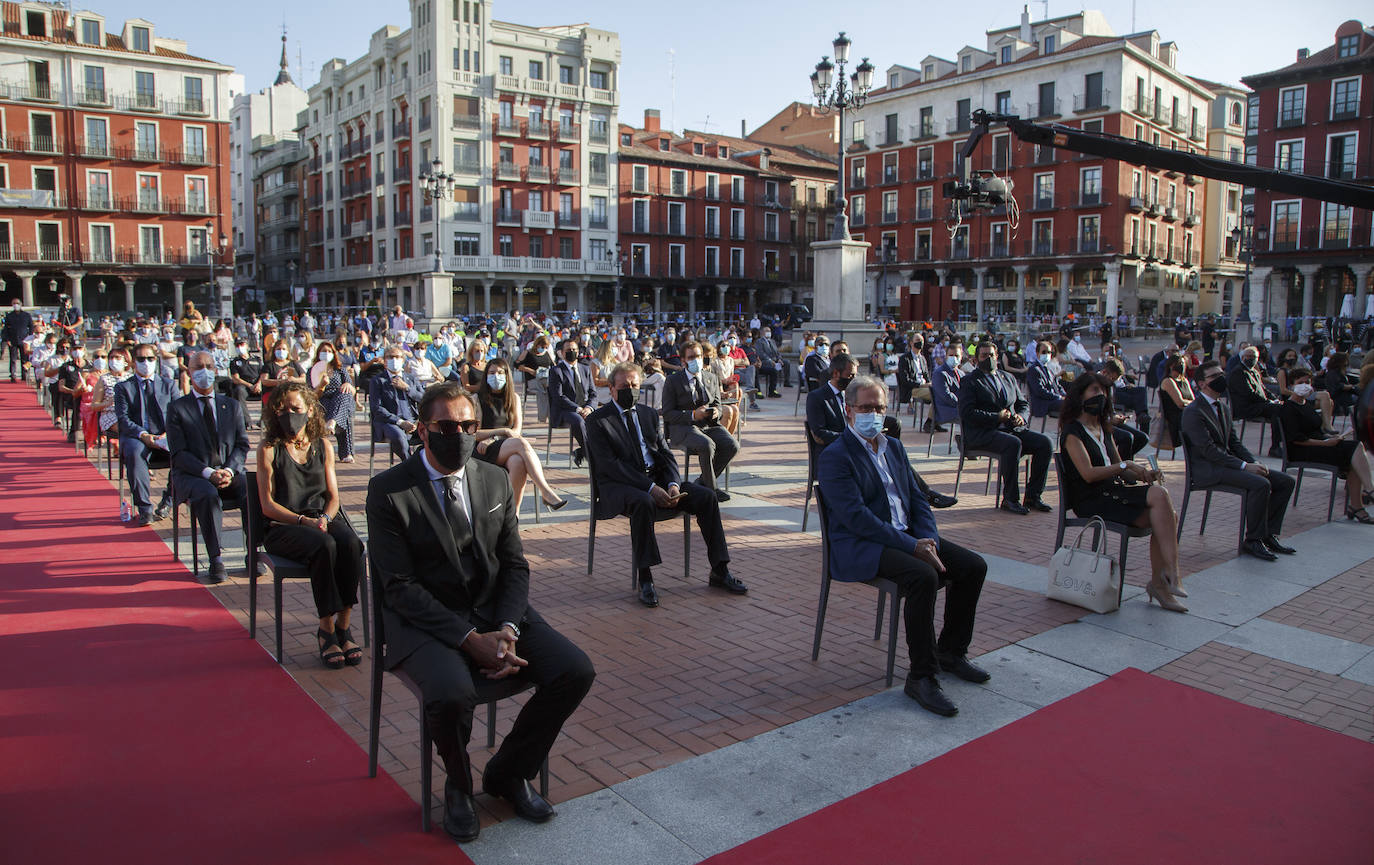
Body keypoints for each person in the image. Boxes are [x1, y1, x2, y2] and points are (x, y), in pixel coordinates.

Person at [366, 382, 594, 843]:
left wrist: (507, 628)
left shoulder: (492, 479)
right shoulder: (389, 491)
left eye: (468, 425)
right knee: (451, 693)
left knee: (574, 670)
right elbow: (400, 588)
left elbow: (513, 563)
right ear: (423, 430)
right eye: (446, 426)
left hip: (496, 610)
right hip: (427, 623)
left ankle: (509, 773)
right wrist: (470, 639)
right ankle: (457, 784)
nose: (460, 434)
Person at [818, 375, 990, 717]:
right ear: (849, 410)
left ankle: (951, 652)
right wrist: (914, 547)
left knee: (973, 566)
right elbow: (857, 519)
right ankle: (921, 676)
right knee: (922, 576)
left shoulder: (893, 446)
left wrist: (930, 541)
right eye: (866, 408)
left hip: (907, 535)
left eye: (880, 407)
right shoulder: (835, 456)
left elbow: (917, 498)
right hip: (862, 545)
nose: (874, 414)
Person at [586, 362, 747, 608]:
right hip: (618, 486)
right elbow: (611, 466)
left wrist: (672, 484)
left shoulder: (648, 414)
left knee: (706, 496)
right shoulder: (598, 420)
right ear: (611, 388)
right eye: (624, 386)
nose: (631, 390)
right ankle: (646, 578)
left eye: (635, 385)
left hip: (657, 479)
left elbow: (665, 454)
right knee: (643, 502)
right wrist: (650, 489)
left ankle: (720, 569)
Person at [257, 381, 365, 668]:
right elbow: (267, 506)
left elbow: (333, 497)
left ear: (308, 411)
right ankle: (326, 628)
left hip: (321, 518)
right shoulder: (269, 448)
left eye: (295, 408)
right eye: (282, 409)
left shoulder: (323, 446)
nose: (289, 414)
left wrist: (326, 519)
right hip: (284, 525)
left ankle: (345, 624)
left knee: (352, 543)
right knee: (324, 545)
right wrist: (304, 521)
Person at [1059, 374, 1187, 610]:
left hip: (1114, 492)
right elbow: (1088, 473)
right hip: (1092, 499)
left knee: (1167, 512)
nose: (1101, 395)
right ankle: (1172, 575)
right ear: (1080, 395)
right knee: (1160, 497)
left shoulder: (1103, 428)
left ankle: (1160, 584)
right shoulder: (1072, 432)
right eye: (1094, 389)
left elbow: (1122, 470)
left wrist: (1142, 473)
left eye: (1104, 392)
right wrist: (1125, 466)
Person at [1181, 361, 1297, 562]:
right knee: (1261, 485)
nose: (1220, 378)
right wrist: (1244, 466)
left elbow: (1234, 443)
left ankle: (1268, 534)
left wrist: (1254, 464)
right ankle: (1253, 540)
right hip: (1208, 470)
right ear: (1201, 384)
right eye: (1214, 376)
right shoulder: (1193, 412)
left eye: (1221, 373)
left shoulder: (1223, 407)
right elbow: (1208, 451)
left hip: (1227, 464)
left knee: (1285, 481)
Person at [166, 351, 250, 583]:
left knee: (251, 489)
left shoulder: (231, 406)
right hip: (193, 475)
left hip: (228, 472)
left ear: (215, 369)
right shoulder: (177, 408)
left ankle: (253, 552)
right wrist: (209, 473)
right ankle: (216, 558)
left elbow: (242, 445)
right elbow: (178, 454)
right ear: (189, 372)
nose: (205, 371)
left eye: (209, 366)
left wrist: (229, 471)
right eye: (198, 367)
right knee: (208, 494)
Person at [957, 341, 1052, 515]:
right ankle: (1010, 499)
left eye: (991, 355)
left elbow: (1023, 404)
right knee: (1013, 444)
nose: (988, 359)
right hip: (983, 432)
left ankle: (1033, 496)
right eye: (984, 355)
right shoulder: (969, 381)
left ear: (997, 357)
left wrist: (1021, 417)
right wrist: (996, 417)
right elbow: (967, 413)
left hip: (1011, 428)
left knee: (1045, 443)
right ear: (976, 358)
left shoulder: (1007, 377)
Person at [1280, 368, 1373, 523]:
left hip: (1319, 444)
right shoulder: (1288, 408)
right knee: (1354, 450)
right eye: (1300, 383)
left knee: (1354, 450)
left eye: (1307, 382)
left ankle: (1357, 505)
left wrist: (1331, 437)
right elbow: (1296, 439)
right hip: (1303, 449)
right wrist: (1326, 443)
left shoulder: (1307, 405)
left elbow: (1317, 430)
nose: (1305, 385)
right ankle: (1367, 493)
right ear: (1291, 385)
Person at [474, 358, 567, 512]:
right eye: (491, 373)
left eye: (499, 373)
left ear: (506, 375)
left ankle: (512, 515)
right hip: (483, 449)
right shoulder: (477, 399)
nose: (496, 376)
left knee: (517, 461)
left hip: (507, 446)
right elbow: (474, 433)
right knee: (521, 444)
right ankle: (545, 490)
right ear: (486, 375)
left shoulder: (514, 398)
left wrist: (499, 437)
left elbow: (516, 431)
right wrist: (500, 432)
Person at [661, 340, 737, 501]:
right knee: (706, 445)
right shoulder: (673, 381)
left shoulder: (711, 377)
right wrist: (693, 415)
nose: (696, 360)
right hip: (682, 428)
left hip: (708, 425)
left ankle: (702, 482)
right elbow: (667, 413)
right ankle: (711, 490)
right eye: (691, 357)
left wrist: (716, 412)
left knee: (732, 445)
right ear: (683, 360)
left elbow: (718, 404)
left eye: (699, 356)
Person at [114, 343, 179, 526]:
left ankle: (168, 501)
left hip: (165, 436)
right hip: (137, 437)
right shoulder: (123, 387)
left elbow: (178, 415)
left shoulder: (168, 385)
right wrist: (143, 435)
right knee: (134, 453)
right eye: (141, 359)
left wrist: (167, 432)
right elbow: (123, 419)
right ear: (134, 362)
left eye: (150, 358)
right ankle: (145, 509)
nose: (146, 363)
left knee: (185, 452)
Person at [1227, 346, 1284, 458]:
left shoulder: (1254, 372)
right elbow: (1249, 393)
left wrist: (1275, 399)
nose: (1251, 359)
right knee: (1277, 410)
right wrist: (1269, 402)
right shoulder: (1238, 372)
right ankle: (1275, 447)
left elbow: (1264, 390)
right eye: (1249, 356)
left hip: (1259, 405)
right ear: (1243, 357)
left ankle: (1282, 443)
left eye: (1254, 357)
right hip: (1246, 407)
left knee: (1284, 408)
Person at [547, 337, 596, 467]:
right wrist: (578, 409)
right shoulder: (556, 371)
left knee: (604, 419)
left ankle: (582, 452)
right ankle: (593, 458)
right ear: (562, 353)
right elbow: (558, 396)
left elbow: (593, 393)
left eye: (574, 349)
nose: (572, 351)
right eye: (568, 350)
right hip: (565, 410)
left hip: (585, 408)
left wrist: (589, 408)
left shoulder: (585, 369)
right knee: (578, 421)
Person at [369, 346, 421, 462]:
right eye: (390, 357)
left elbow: (424, 399)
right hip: (389, 422)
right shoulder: (378, 381)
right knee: (399, 437)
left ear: (403, 360)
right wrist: (400, 422)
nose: (394, 360)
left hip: (413, 421)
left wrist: (407, 388)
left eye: (397, 357)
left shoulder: (410, 379)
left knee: (433, 433)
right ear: (385, 361)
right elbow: (376, 408)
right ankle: (410, 466)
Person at [309, 341, 357, 463]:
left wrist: (348, 384)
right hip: (322, 400)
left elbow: (352, 391)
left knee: (344, 395)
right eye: (324, 351)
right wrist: (321, 385)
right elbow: (312, 395)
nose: (327, 354)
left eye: (329, 351)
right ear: (318, 353)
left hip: (341, 399)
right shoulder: (312, 371)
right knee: (343, 414)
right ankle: (346, 452)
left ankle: (332, 422)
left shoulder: (340, 370)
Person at [515, 333, 554, 423]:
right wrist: (530, 370)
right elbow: (517, 365)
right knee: (543, 391)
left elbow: (553, 365)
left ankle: (552, 416)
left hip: (545, 378)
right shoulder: (528, 353)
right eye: (542, 346)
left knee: (552, 389)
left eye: (546, 347)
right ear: (537, 345)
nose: (543, 349)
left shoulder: (546, 353)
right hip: (533, 379)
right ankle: (543, 417)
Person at [1158, 355, 1193, 451]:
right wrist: (1191, 403)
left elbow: (1193, 399)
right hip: (1175, 417)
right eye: (1179, 364)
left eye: (1183, 363)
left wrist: (1190, 403)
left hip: (1187, 412)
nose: (1181, 366)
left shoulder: (1184, 380)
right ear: (1171, 365)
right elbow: (1180, 403)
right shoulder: (1168, 381)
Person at [228, 337, 263, 429]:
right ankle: (247, 422)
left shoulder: (257, 359)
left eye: (242, 344)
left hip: (257, 385)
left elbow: (263, 374)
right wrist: (249, 386)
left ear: (247, 346)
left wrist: (258, 384)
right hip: (244, 386)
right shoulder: (235, 362)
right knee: (239, 391)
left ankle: (263, 421)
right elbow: (236, 378)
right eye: (237, 345)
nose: (240, 347)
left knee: (271, 392)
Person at [1027, 341, 1066, 420]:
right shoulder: (1033, 369)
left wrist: (1066, 396)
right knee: (1069, 405)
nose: (1047, 355)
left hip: (1053, 400)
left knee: (1075, 402)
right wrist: (1058, 397)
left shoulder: (1049, 369)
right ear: (1037, 353)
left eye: (1049, 352)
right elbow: (1040, 391)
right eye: (1044, 352)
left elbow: (1057, 386)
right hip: (1043, 403)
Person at [3, 299, 33, 382]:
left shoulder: (27, 315)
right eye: (14, 303)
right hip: (13, 340)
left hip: (24, 340)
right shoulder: (9, 316)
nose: (16, 305)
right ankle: (13, 375)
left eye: (17, 303)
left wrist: (31, 338)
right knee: (13, 359)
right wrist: (7, 339)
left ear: (21, 304)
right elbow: (6, 329)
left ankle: (25, 375)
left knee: (25, 359)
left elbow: (31, 327)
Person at [755, 326, 784, 397]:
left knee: (786, 363)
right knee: (773, 370)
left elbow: (777, 352)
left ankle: (786, 382)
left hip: (774, 360)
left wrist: (779, 359)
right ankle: (772, 390)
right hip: (765, 362)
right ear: (762, 333)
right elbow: (761, 354)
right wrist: (770, 360)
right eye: (767, 331)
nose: (768, 333)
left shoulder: (772, 341)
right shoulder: (759, 341)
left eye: (769, 331)